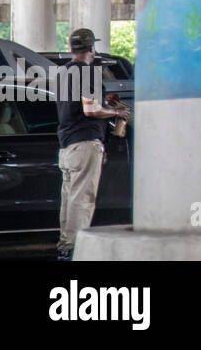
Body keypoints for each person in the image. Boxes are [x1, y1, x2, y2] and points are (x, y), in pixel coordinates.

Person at [55, 29, 131, 260]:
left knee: (69, 199)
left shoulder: (63, 72)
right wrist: (117, 112)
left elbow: (76, 105)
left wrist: (103, 101)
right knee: (83, 201)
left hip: (67, 145)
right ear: (92, 48)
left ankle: (66, 246)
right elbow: (90, 110)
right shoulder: (87, 73)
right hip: (85, 142)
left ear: (71, 48)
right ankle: (76, 250)